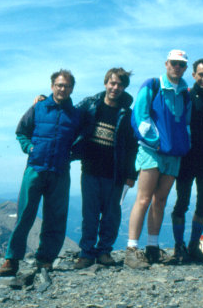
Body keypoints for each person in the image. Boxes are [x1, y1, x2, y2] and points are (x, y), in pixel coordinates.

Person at [0, 69, 82, 277]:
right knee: (25, 214)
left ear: (72, 89)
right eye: (59, 85)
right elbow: (21, 131)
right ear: (52, 86)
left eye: (67, 86)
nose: (63, 89)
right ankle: (12, 260)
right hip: (35, 168)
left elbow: (84, 138)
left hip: (60, 172)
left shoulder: (77, 115)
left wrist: (72, 153)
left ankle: (45, 260)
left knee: (55, 218)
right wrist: (30, 148)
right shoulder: (38, 108)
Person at [126, 49, 192, 269]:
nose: (177, 67)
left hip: (173, 154)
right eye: (174, 63)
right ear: (166, 64)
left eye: (181, 64)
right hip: (152, 151)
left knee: (160, 200)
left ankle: (152, 248)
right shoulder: (152, 84)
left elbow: (186, 122)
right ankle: (132, 249)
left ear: (185, 68)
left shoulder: (185, 93)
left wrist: (184, 142)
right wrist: (154, 141)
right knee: (144, 199)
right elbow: (140, 114)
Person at [71, 68, 138, 269]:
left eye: (119, 84)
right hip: (90, 169)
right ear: (105, 83)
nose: (115, 88)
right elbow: (69, 113)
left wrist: (131, 174)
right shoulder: (91, 105)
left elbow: (132, 146)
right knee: (89, 213)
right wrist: (44, 99)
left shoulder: (127, 114)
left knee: (111, 215)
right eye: (112, 83)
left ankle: (104, 252)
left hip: (115, 173)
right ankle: (86, 253)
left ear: (124, 87)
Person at [171, 59, 203, 263]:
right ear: (193, 75)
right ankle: (179, 246)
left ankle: (193, 246)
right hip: (186, 158)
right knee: (181, 203)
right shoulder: (185, 95)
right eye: (200, 74)